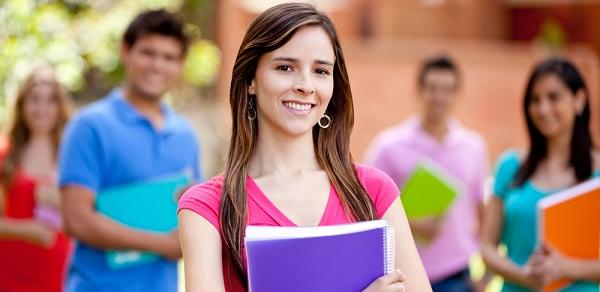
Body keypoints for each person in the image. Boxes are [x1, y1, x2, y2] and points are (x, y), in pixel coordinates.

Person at [178, 3, 431, 292]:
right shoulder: (206, 207)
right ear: (251, 79)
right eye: (285, 67)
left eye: (321, 71)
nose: (306, 85)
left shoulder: (373, 191)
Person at [58, 9, 202, 292]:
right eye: (148, 53)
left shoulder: (186, 135)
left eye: (169, 57)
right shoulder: (89, 126)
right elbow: (76, 220)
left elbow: (193, 214)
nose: (157, 65)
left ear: (181, 64)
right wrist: (163, 244)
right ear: (126, 52)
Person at [364, 55, 490, 291]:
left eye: (448, 90)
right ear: (419, 91)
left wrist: (485, 275)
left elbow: (483, 212)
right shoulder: (389, 146)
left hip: (457, 276)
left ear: (457, 94)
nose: (440, 98)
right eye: (432, 88)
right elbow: (362, 209)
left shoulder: (474, 146)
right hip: (403, 274)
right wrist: (409, 223)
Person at [481, 58, 600, 291]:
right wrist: (524, 276)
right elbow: (487, 248)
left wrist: (567, 268)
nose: (543, 109)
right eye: (535, 100)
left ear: (579, 100)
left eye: (553, 97)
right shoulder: (509, 166)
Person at [0, 65, 73, 291]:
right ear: (22, 105)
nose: (42, 108)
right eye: (34, 99)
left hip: (63, 278)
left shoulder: (74, 155)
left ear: (60, 107)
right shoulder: (5, 154)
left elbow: (94, 212)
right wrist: (26, 230)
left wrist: (60, 203)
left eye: (51, 100)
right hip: (10, 277)